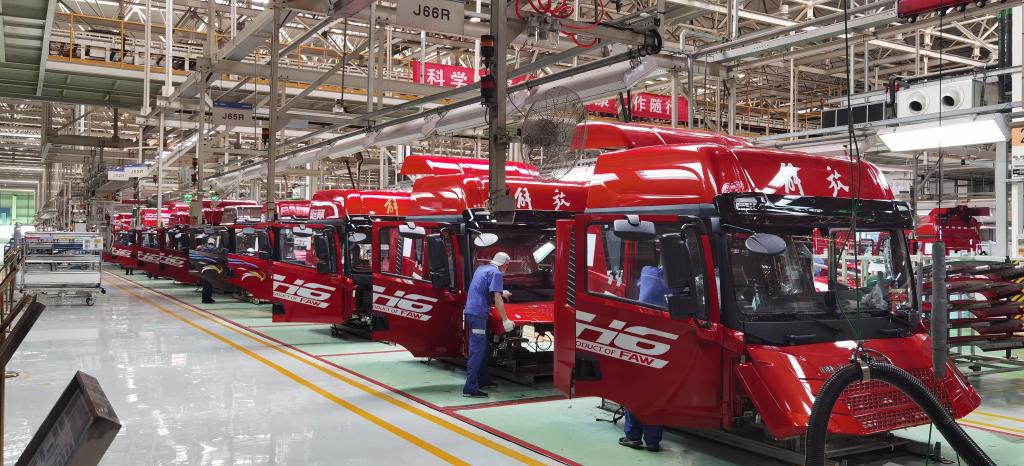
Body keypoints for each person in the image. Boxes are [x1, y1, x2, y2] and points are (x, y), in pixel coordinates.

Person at [619, 263, 667, 452]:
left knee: (635, 391)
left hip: (640, 339)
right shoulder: (674, 282)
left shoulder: (648, 272)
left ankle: (633, 436)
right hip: (664, 343)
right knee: (656, 392)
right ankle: (653, 441)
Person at [463, 251, 515, 398]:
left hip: (472, 312)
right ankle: (470, 388)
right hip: (478, 314)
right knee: (477, 351)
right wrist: (505, 320)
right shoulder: (496, 273)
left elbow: (482, 287)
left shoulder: (481, 269)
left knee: (484, 348)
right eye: (507, 266)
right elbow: (497, 299)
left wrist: (501, 291)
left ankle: (483, 380)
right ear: (505, 265)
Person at [200, 236, 217, 304]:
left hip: (204, 267)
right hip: (210, 267)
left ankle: (206, 298)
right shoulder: (212, 248)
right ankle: (207, 299)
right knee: (208, 284)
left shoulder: (203, 248)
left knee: (206, 284)